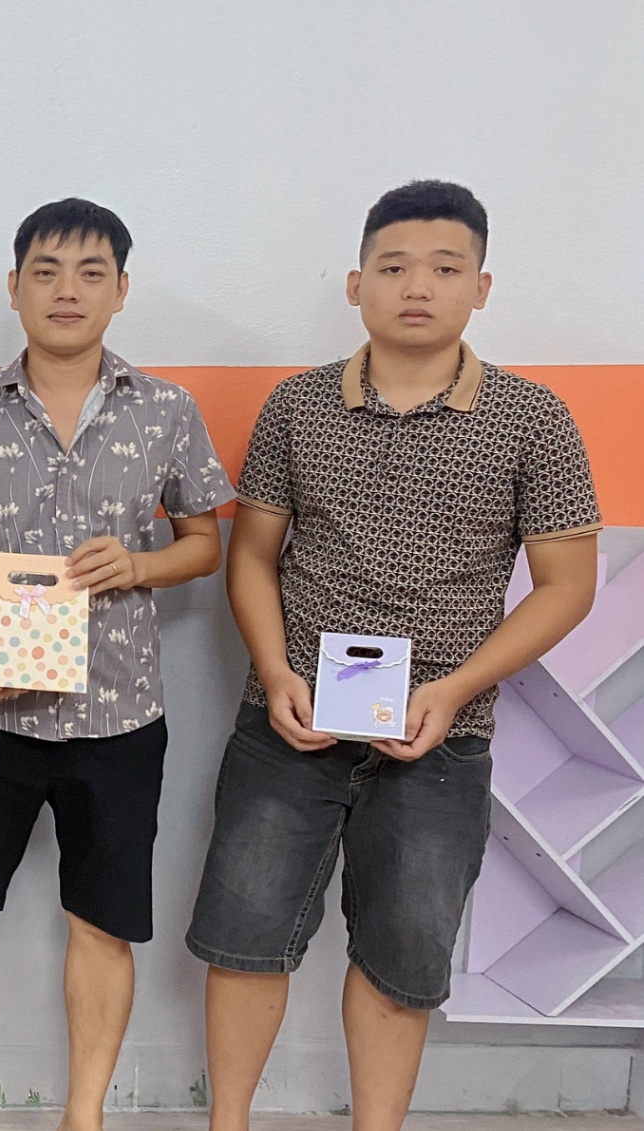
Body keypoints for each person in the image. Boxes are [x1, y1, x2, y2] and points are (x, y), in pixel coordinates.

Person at [187, 180, 601, 1131]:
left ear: (481, 288)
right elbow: (251, 556)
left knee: (402, 959)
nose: (418, 286)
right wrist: (276, 672)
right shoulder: (298, 405)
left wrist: (454, 689)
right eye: (395, 266)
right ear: (356, 283)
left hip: (442, 738)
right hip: (287, 720)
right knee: (245, 936)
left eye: (446, 268)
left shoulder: (532, 418)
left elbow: (567, 585)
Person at [0, 199, 234, 1131]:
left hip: (118, 716)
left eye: (91, 273)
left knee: (101, 924)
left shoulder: (166, 410)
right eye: (46, 271)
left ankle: (82, 1113)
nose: (66, 291)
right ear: (14, 287)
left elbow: (205, 544)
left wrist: (138, 565)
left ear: (121, 290)